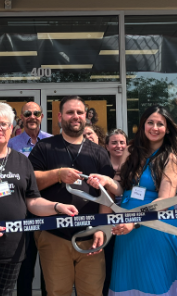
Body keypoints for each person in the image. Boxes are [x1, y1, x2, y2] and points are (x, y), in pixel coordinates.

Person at [0, 102, 79, 296]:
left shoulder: (22, 161)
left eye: (4, 124)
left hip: (13, 247)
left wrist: (58, 207)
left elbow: (33, 202)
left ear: (12, 128)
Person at [29, 96, 119, 296]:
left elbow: (107, 195)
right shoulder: (45, 147)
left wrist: (102, 228)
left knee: (92, 292)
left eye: (79, 112)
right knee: (57, 292)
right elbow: (31, 182)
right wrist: (58, 174)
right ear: (60, 117)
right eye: (70, 112)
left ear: (86, 117)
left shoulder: (99, 153)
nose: (75, 116)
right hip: (54, 235)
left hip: (92, 236)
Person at [109, 106, 177, 296]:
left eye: (160, 124)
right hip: (126, 231)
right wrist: (105, 182)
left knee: (155, 285)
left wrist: (133, 222)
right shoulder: (131, 151)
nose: (154, 127)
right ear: (143, 125)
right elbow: (122, 188)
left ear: (167, 129)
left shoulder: (171, 158)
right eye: (150, 122)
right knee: (127, 283)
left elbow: (165, 201)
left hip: (155, 230)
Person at [9, 102, 51, 296]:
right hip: (22, 212)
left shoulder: (53, 142)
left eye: (36, 113)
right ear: (22, 117)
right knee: (24, 269)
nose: (32, 116)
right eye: (28, 113)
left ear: (42, 116)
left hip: (48, 212)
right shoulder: (11, 145)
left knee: (49, 268)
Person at [102, 129, 129, 296]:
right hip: (108, 227)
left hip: (129, 225)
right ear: (106, 146)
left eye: (121, 142)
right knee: (108, 268)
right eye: (114, 142)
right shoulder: (102, 167)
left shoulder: (134, 166)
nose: (118, 146)